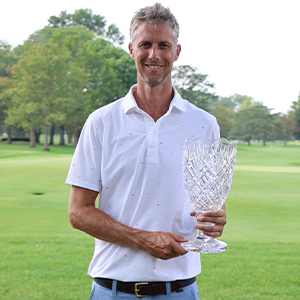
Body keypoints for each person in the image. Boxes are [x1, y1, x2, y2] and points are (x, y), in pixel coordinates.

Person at [66, 3, 226, 299]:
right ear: (131, 49)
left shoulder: (204, 124)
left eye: (164, 45)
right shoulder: (101, 122)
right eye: (145, 45)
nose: (154, 54)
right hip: (112, 290)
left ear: (177, 52)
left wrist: (216, 221)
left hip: (180, 289)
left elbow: (211, 206)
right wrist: (142, 239)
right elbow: (78, 213)